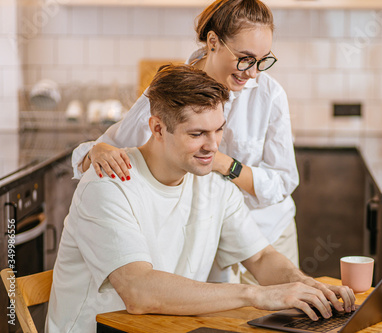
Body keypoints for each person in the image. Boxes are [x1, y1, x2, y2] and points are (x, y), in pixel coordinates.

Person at [46, 65, 355, 332]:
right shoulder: (109, 183)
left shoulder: (212, 183)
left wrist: (304, 284)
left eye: (218, 130)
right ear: (157, 128)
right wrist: (256, 295)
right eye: (197, 134)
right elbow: (138, 291)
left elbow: (261, 258)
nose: (212, 146)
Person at [71, 0, 299, 284]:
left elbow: (283, 183)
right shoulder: (173, 91)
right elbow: (103, 153)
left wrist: (224, 164)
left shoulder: (269, 94)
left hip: (266, 233)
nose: (253, 72)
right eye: (245, 58)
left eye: (263, 60)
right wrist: (98, 150)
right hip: (200, 237)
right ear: (213, 42)